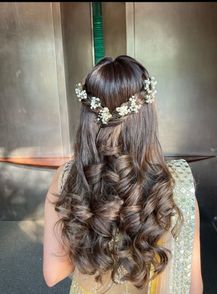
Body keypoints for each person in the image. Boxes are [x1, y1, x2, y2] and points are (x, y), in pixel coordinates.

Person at [43, 55, 203, 294]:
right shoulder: (177, 182)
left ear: (87, 118)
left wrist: (91, 232)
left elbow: (53, 274)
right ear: (148, 115)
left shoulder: (68, 178)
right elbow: (193, 286)